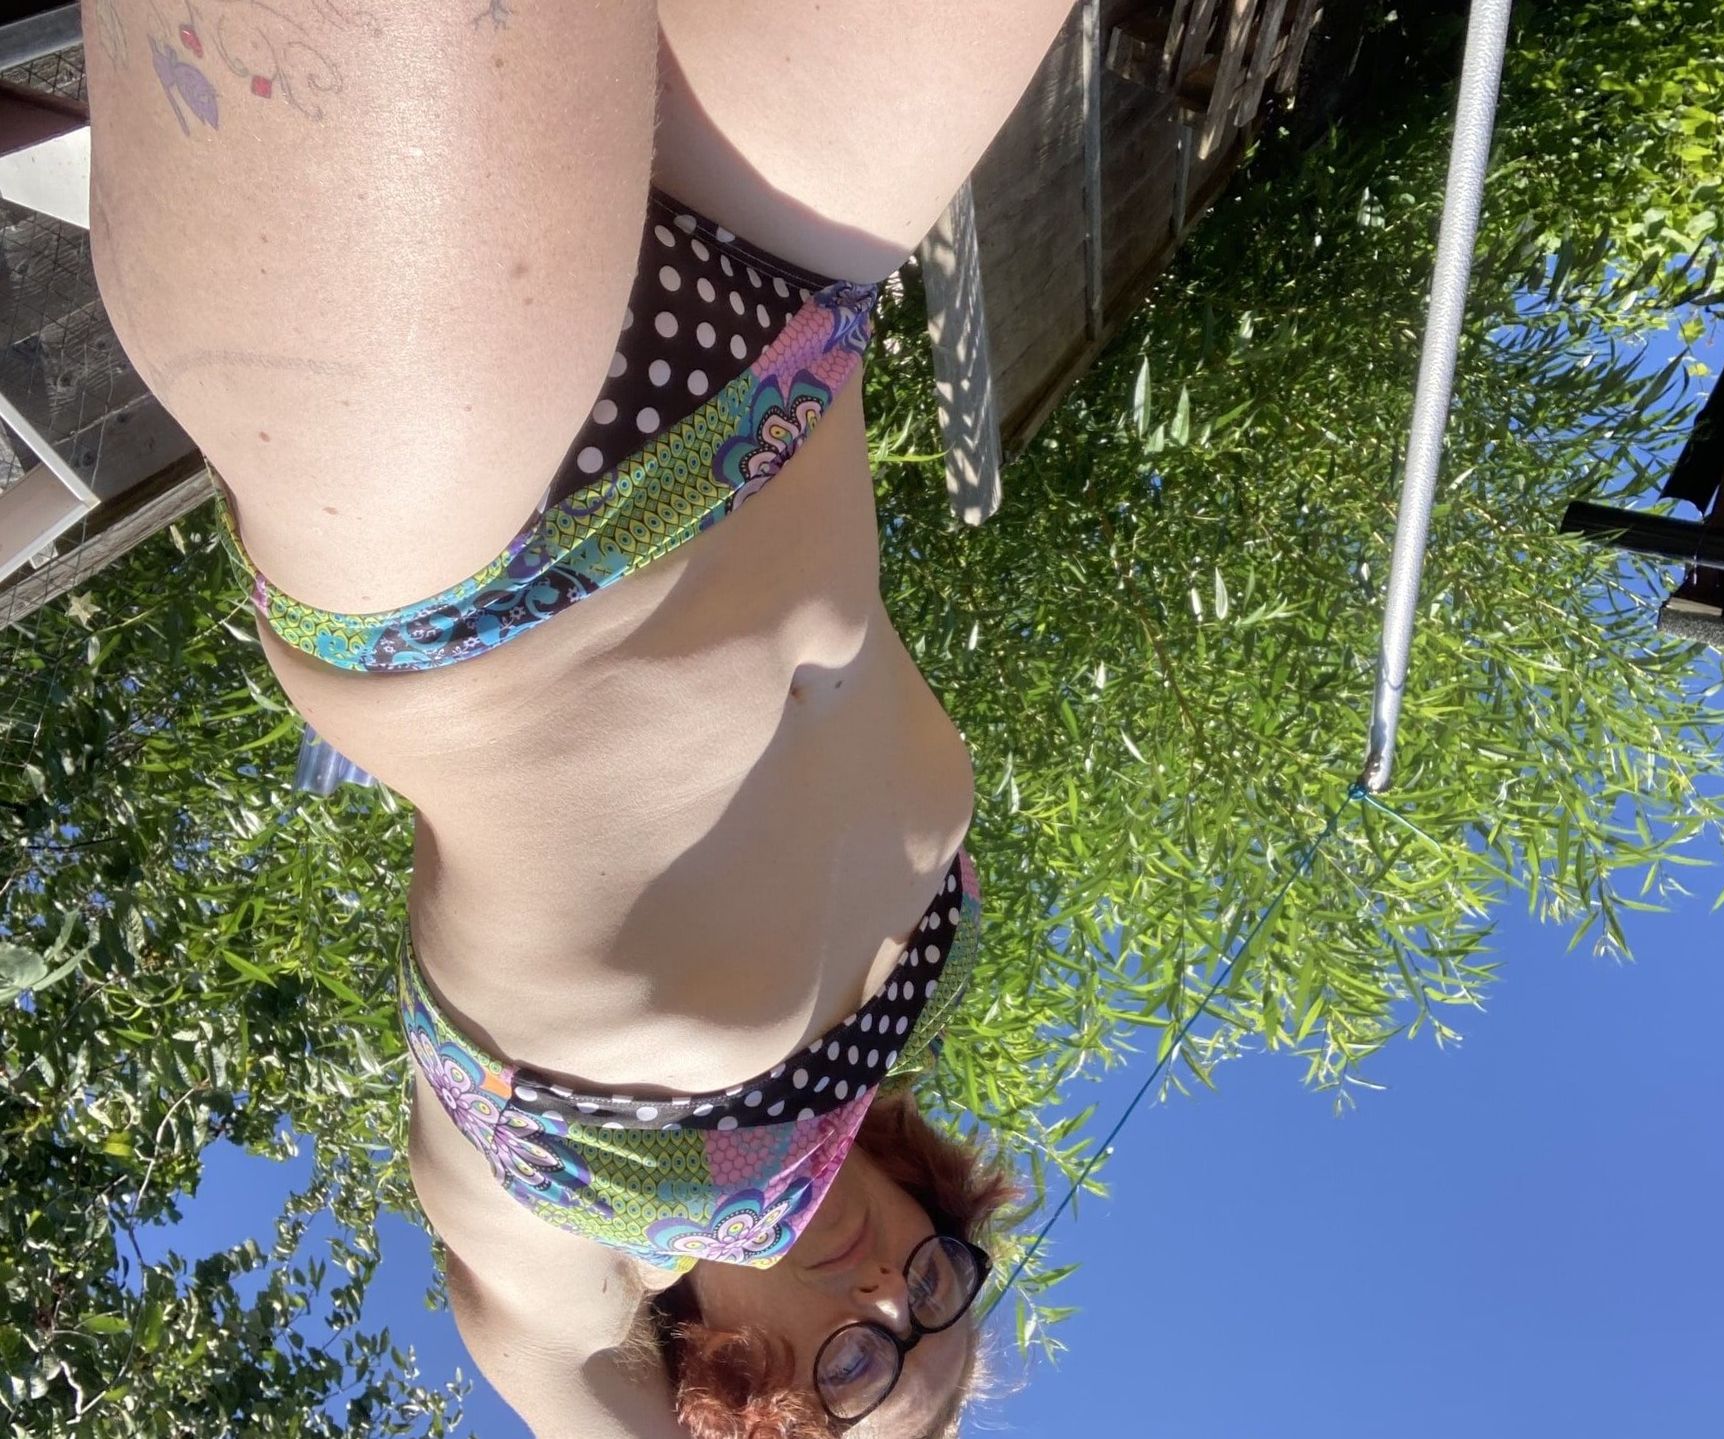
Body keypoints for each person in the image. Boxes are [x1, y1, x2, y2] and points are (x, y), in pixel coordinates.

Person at [84, 0, 1076, 1433]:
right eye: (939, 1295)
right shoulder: (908, 1000)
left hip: (476, 524)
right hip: (791, 301)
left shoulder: (578, 1272)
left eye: (859, 1373)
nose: (883, 1298)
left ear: (730, 1404)